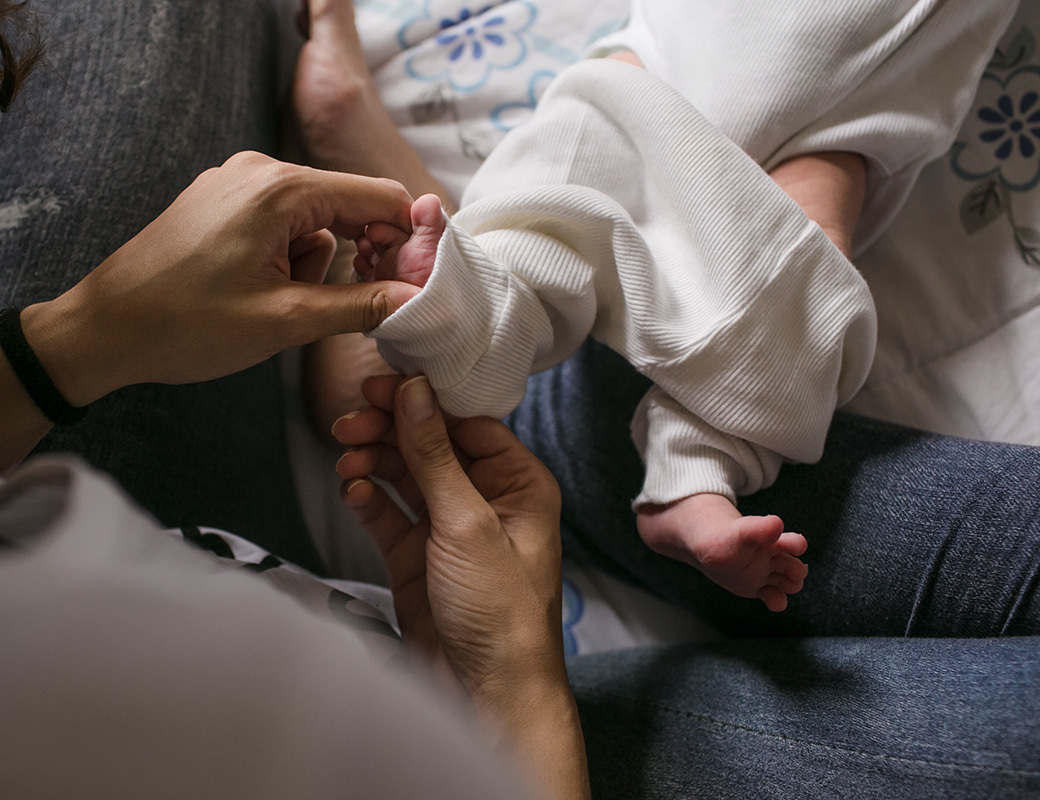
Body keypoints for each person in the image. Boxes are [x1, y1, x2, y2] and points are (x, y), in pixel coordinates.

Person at [0, 2, 1040, 799]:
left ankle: (493, 332)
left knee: (639, 276)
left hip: (223, 550)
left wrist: (76, 337)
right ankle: (540, 340)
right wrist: (514, 687)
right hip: (477, 742)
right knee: (703, 235)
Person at [306, 0, 1011, 610]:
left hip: (844, 129)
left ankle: (692, 475)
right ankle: (449, 307)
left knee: (809, 292)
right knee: (554, 196)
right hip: (665, 64)